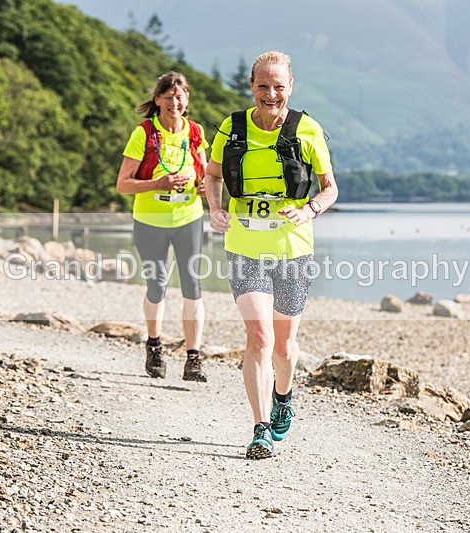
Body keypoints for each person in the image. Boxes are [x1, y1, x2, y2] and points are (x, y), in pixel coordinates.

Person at [205, 51, 338, 459]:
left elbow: (330, 187)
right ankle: (260, 427)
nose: (271, 93)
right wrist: (215, 208)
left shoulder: (308, 130)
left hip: (293, 251)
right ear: (251, 86)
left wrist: (310, 208)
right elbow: (211, 176)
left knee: (284, 346)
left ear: (289, 87)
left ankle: (284, 394)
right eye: (263, 85)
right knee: (259, 337)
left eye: (278, 86)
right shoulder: (233, 127)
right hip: (245, 248)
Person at [116, 71, 208, 382]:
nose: (175, 102)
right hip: (150, 221)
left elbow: (206, 174)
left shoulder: (195, 132)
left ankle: (193, 358)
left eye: (180, 97)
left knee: (193, 287)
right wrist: (159, 183)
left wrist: (206, 187)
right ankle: (154, 345)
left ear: (187, 101)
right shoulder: (143, 133)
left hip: (189, 218)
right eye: (168, 97)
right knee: (157, 286)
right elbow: (122, 185)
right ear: (158, 101)